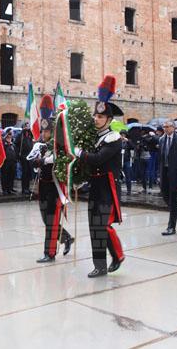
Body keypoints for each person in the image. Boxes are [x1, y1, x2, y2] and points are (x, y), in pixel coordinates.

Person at [75, 75, 125, 278]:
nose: (96, 119)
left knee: (103, 226)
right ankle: (101, 265)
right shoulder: (94, 137)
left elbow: (97, 159)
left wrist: (79, 153)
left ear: (109, 120)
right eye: (95, 116)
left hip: (108, 188)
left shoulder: (113, 138)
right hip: (96, 187)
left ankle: (117, 255)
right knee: (94, 226)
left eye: (101, 117)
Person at [29, 95, 74, 263]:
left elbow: (63, 158)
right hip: (44, 186)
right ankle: (66, 238)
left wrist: (45, 160)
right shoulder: (40, 144)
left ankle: (50, 253)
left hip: (56, 187)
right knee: (45, 218)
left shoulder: (59, 145)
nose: (44, 134)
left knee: (51, 220)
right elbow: (33, 162)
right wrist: (36, 161)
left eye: (47, 131)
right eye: (42, 131)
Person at [159, 120, 177, 235]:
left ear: (173, 127)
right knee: (165, 196)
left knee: (173, 199)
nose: (165, 129)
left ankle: (171, 227)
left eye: (167, 127)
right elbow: (161, 158)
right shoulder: (162, 139)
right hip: (164, 172)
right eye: (164, 127)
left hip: (176, 174)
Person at [15, 122, 34, 195]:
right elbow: (16, 144)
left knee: (29, 173)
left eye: (28, 126)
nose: (27, 128)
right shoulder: (21, 135)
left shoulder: (29, 135)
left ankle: (27, 188)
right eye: (26, 126)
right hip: (23, 157)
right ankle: (24, 189)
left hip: (30, 157)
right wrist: (18, 155)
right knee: (25, 173)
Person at [1, 129, 17, 195]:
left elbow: (15, 151)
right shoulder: (3, 142)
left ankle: (10, 189)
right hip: (6, 162)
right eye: (9, 134)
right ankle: (4, 189)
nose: (10, 135)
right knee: (5, 176)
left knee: (11, 176)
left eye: (11, 134)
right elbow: (2, 150)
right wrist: (7, 144)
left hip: (12, 162)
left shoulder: (12, 143)